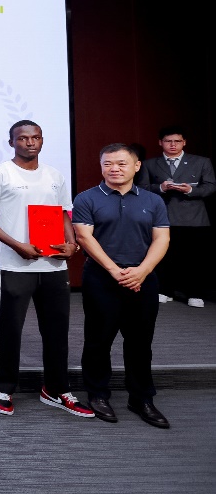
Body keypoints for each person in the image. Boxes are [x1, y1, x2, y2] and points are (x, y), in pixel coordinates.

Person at [0, 121, 93, 418]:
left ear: (42, 140)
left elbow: (62, 213)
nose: (30, 142)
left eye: (35, 137)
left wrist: (72, 243)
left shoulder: (54, 175)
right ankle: (3, 388)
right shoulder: (0, 174)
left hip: (54, 266)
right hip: (14, 264)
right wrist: (17, 245)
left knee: (57, 331)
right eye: (23, 138)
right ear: (11, 142)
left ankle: (56, 389)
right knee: (10, 330)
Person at [73, 143, 171, 428]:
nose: (114, 169)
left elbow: (162, 239)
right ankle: (97, 394)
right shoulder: (87, 198)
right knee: (98, 340)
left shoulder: (153, 200)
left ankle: (141, 398)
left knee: (140, 342)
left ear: (137, 166)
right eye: (107, 164)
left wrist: (142, 271)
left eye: (121, 163)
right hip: (101, 279)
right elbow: (84, 237)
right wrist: (115, 271)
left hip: (143, 279)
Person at [142, 126, 215, 307]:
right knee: (164, 256)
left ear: (184, 142)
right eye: (168, 141)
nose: (173, 145)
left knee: (194, 258)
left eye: (177, 141)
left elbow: (210, 186)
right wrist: (160, 188)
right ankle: (164, 290)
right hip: (163, 216)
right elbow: (142, 188)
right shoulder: (150, 164)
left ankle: (195, 293)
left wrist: (190, 190)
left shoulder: (201, 162)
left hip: (194, 217)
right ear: (161, 143)